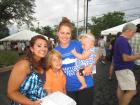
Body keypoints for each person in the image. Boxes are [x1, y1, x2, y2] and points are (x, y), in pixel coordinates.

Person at [55, 17, 94, 105]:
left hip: (86, 84)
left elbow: (96, 52)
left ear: (71, 34)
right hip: (69, 88)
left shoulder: (78, 44)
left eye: (68, 33)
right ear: (58, 33)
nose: (65, 36)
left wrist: (90, 66)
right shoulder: (55, 51)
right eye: (62, 33)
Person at [7, 35, 48, 105]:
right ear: (32, 48)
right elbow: (11, 92)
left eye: (45, 46)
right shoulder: (24, 65)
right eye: (39, 46)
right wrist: (31, 103)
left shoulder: (43, 63)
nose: (43, 49)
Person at [113, 23, 140, 105]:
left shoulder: (120, 40)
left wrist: (136, 55)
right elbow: (126, 58)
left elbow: (126, 56)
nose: (133, 35)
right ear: (128, 31)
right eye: (133, 32)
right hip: (124, 69)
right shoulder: (122, 41)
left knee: (121, 88)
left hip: (121, 68)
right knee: (132, 92)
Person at [129, 24, 140, 95]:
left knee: (129, 75)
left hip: (128, 60)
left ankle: (127, 89)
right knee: (135, 77)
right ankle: (132, 92)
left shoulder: (130, 36)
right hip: (138, 61)